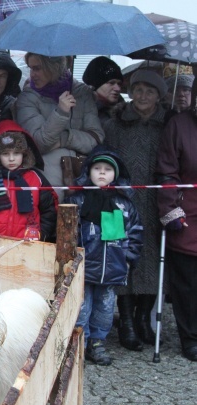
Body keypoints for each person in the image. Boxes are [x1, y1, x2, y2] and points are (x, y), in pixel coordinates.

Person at [104, 69, 168, 352]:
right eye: (139, 90)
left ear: (158, 97)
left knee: (152, 259)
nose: (143, 96)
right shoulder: (116, 122)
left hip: (155, 203)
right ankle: (127, 321)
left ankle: (144, 319)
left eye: (150, 92)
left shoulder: (167, 124)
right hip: (120, 200)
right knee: (121, 256)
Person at [65, 151, 143, 365]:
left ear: (115, 175)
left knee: (105, 308)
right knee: (81, 307)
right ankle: (78, 342)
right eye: (97, 168)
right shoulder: (77, 200)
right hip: (83, 268)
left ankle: (97, 343)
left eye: (107, 170)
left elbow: (135, 232)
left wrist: (127, 260)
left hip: (112, 270)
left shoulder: (124, 204)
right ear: (88, 172)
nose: (102, 173)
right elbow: (66, 232)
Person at [16, 53, 103, 202]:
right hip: (46, 184)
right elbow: (38, 144)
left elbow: (96, 138)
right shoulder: (27, 97)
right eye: (31, 68)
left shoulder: (82, 93)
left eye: (37, 68)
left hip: (82, 182)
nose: (32, 75)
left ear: (54, 67)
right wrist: (61, 113)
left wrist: (64, 138)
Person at [155, 82, 197, 361]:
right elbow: (166, 172)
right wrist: (171, 210)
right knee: (187, 281)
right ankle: (191, 336)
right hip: (188, 213)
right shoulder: (179, 125)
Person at [0, 119, 58, 241]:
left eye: (16, 153)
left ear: (24, 154)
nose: (11, 159)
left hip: (27, 243)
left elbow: (50, 210)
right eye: (6, 154)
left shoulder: (36, 178)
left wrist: (42, 234)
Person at [82, 56, 125, 127]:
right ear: (95, 85)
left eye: (119, 84)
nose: (118, 88)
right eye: (111, 83)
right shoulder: (78, 111)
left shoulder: (125, 113)